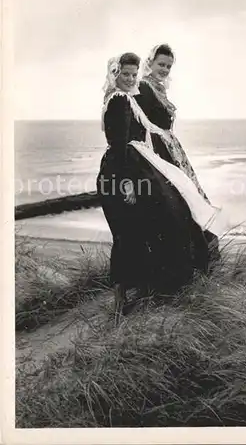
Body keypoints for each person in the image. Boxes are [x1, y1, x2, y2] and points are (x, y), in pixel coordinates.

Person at [96, 52, 223, 320]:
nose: (131, 78)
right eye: (125, 74)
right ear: (114, 76)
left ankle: (146, 288)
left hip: (138, 163)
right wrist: (128, 184)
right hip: (127, 169)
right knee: (142, 227)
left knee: (154, 222)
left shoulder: (126, 99)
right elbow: (118, 144)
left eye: (133, 74)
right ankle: (128, 298)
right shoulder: (119, 100)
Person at [135, 43, 220, 253]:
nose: (164, 69)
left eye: (168, 66)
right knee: (180, 195)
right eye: (161, 64)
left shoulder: (159, 87)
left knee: (189, 193)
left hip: (170, 145)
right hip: (157, 146)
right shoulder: (144, 87)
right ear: (150, 63)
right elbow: (140, 122)